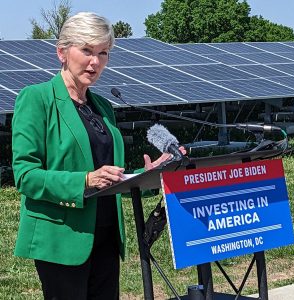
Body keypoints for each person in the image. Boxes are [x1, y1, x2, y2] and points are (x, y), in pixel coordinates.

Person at [12, 12, 183, 300]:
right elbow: (26, 176)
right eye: (87, 50)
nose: (96, 61)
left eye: (103, 53)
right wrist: (85, 180)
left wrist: (148, 175)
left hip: (106, 238)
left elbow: (109, 176)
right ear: (62, 52)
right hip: (62, 239)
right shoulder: (36, 99)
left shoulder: (104, 106)